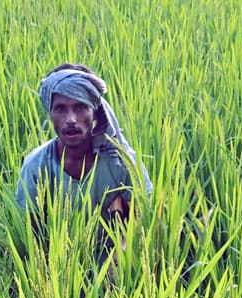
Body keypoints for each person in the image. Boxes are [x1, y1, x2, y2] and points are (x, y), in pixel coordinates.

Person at [15, 63, 151, 231]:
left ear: (95, 112)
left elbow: (143, 227)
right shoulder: (36, 166)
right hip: (56, 255)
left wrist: (121, 251)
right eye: (60, 108)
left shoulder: (122, 163)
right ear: (50, 113)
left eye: (80, 107)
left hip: (115, 255)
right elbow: (32, 236)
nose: (71, 119)